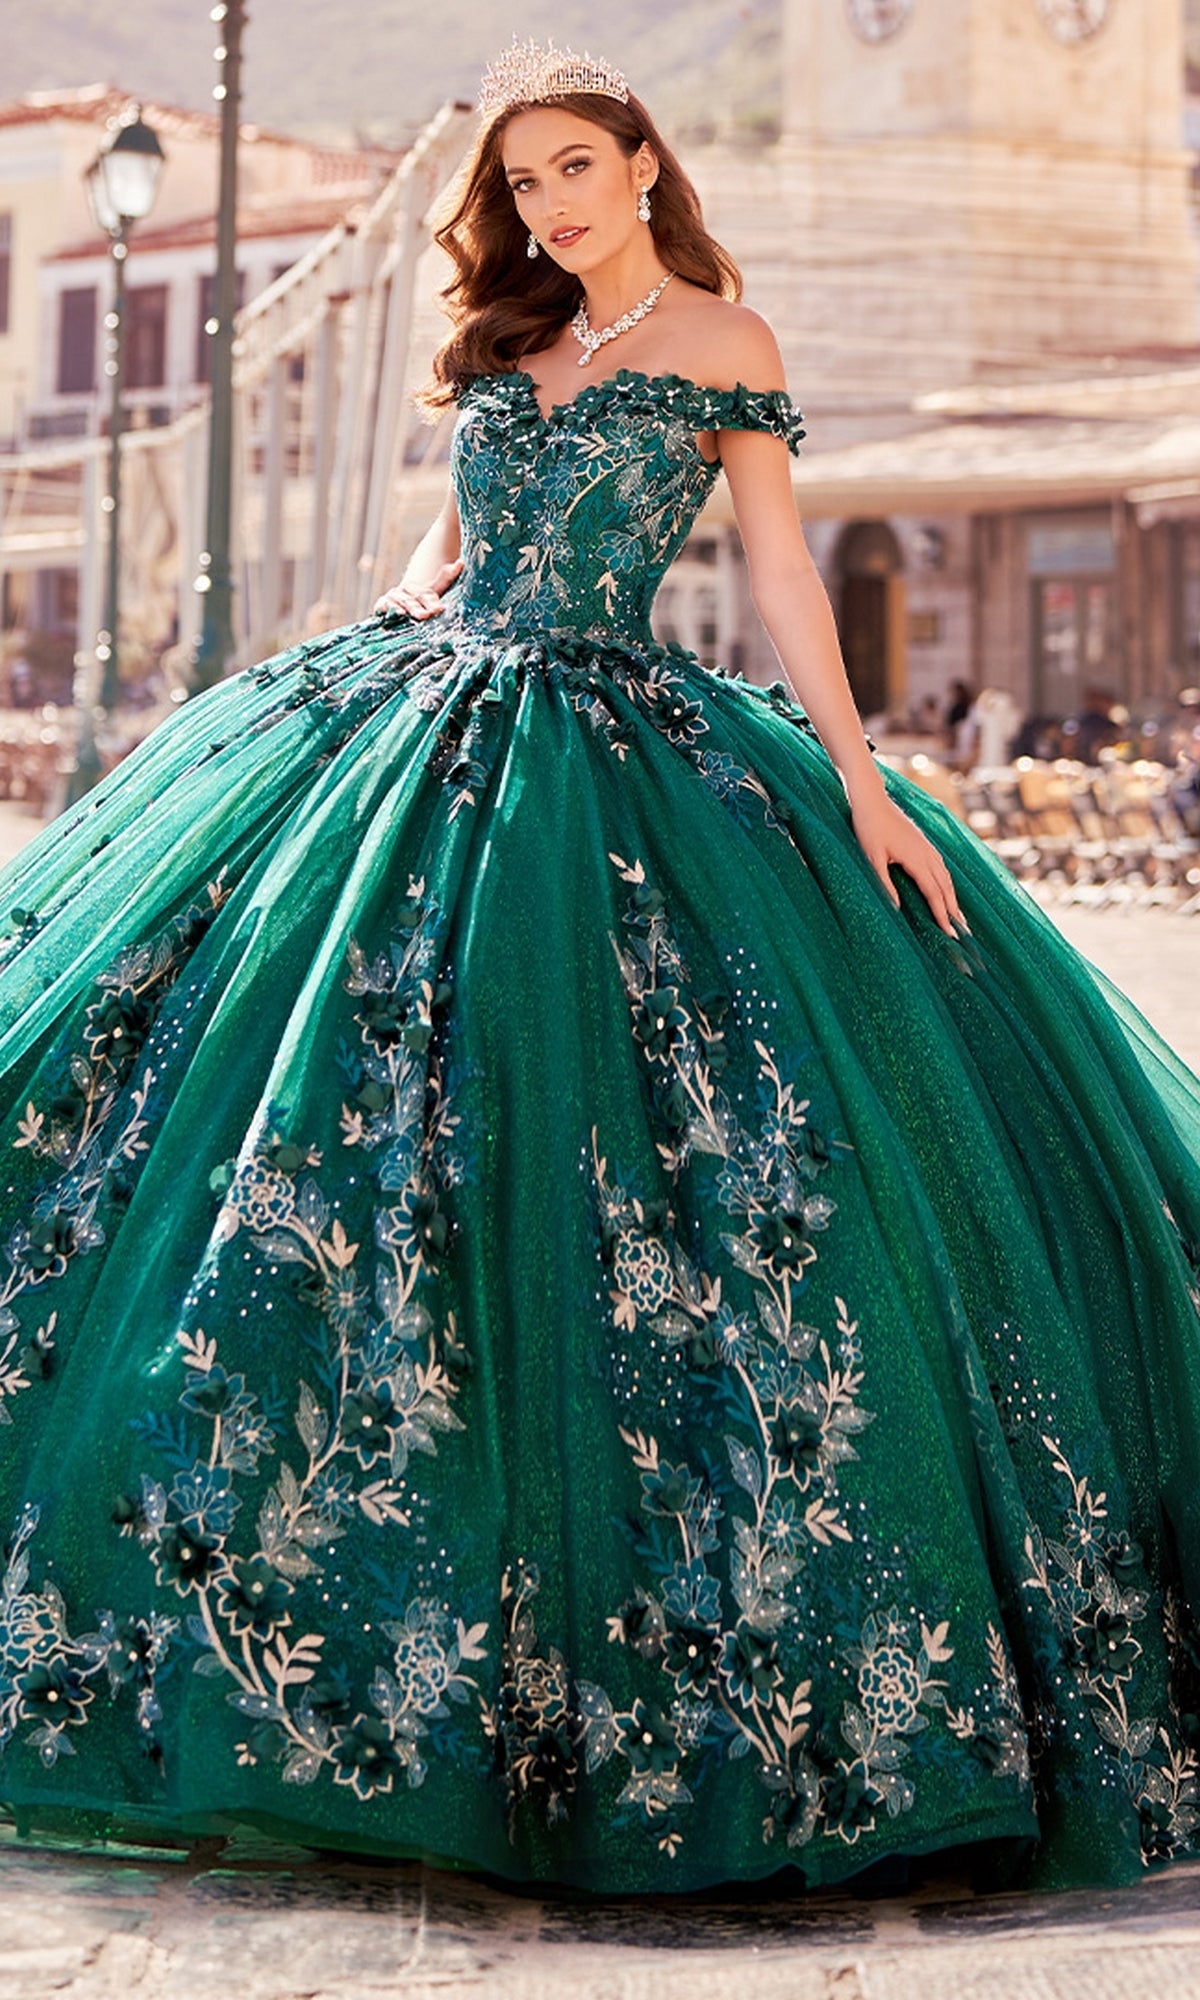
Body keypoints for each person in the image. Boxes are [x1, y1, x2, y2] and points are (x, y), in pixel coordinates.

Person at [1, 41, 1199, 1900]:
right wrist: (399, 612)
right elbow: (451, 539)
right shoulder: (503, 345)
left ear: (644, 162)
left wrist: (870, 789)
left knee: (650, 1152)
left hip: (622, 746)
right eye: (525, 185)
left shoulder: (729, 343)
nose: (549, 208)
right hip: (430, 707)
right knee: (296, 1104)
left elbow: (787, 579)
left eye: (576, 169)